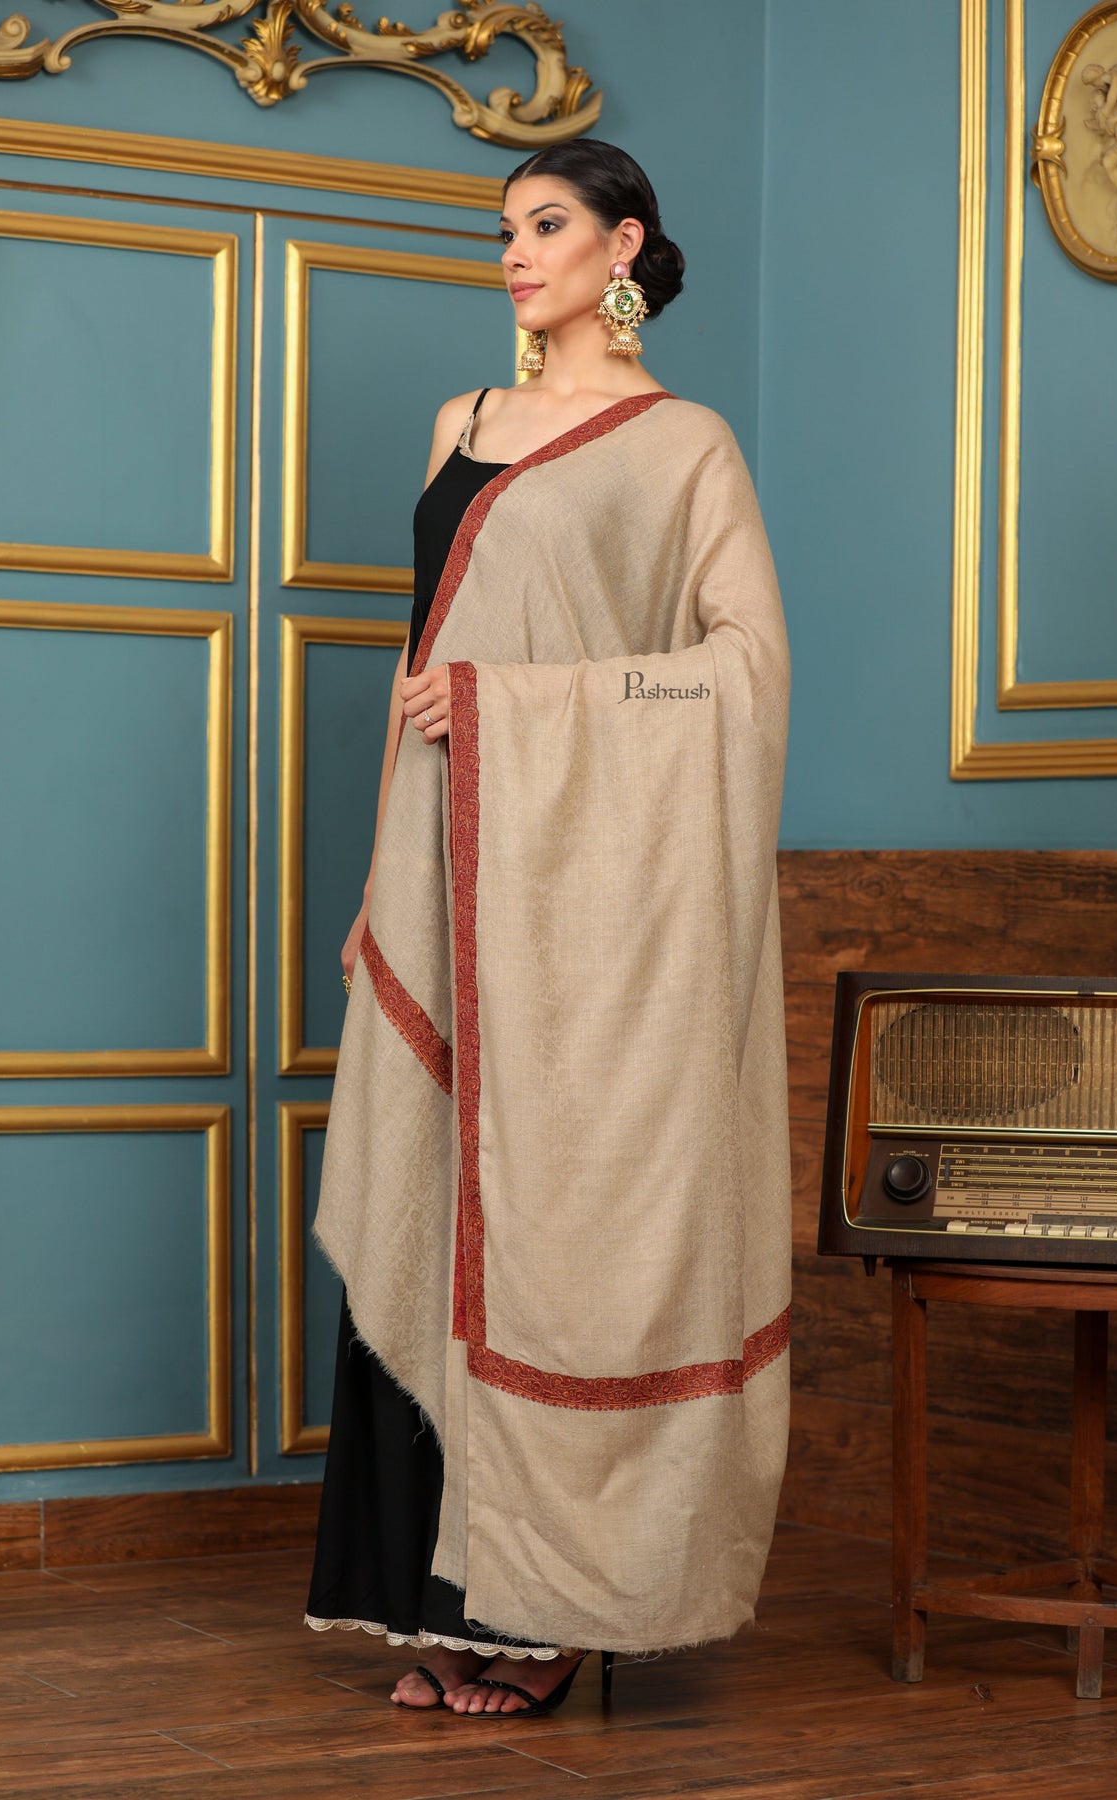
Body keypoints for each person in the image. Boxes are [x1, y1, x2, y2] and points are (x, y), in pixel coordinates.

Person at [305, 139, 792, 1719]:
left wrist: (520, 708)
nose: (515, 252)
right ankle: (433, 1605)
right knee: (427, 1203)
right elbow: (430, 654)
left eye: (548, 224)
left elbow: (746, 676)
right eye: (505, 228)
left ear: (622, 246)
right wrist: (394, 849)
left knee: (558, 1233)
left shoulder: (682, 447)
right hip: (442, 868)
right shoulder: (462, 422)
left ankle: (549, 1610)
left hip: (582, 913)